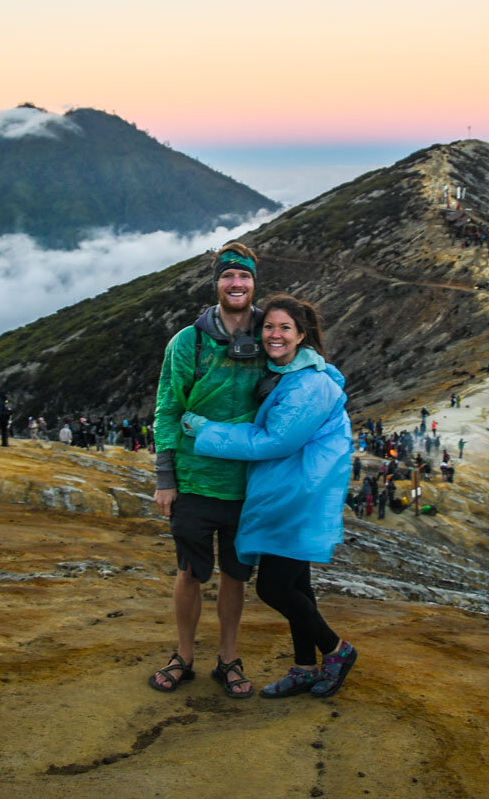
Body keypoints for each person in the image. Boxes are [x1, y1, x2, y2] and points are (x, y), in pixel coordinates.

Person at [184, 293, 358, 699]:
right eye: (269, 327)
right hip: (293, 489)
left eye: (284, 328)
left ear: (301, 335)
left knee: (273, 589)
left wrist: (205, 430)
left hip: (299, 496)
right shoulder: (286, 373)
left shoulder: (310, 385)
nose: (274, 335)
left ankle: (336, 650)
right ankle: (304, 666)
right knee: (300, 587)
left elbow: (274, 441)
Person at [148, 242, 265, 698]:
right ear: (215, 282)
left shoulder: (271, 335)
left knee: (236, 575)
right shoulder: (187, 342)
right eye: (228, 276)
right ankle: (184, 656)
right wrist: (165, 478)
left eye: (245, 277)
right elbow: (167, 407)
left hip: (249, 482)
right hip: (195, 479)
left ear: (255, 283)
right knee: (189, 572)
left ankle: (228, 659)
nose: (236, 284)